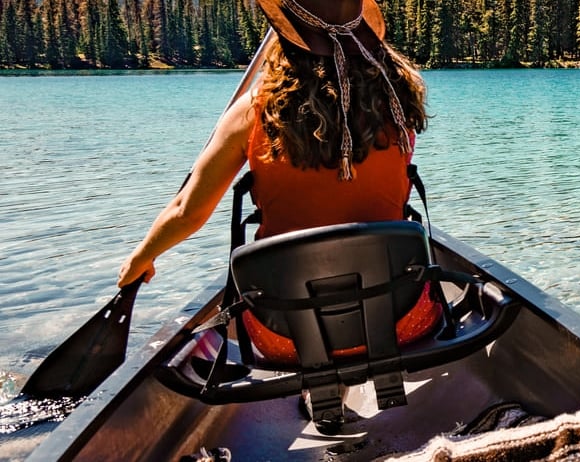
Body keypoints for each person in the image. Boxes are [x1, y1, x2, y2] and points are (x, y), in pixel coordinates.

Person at [117, 0, 437, 364]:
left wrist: (140, 258)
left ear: (284, 40)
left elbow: (187, 212)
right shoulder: (398, 105)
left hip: (284, 332)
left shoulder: (254, 111)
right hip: (400, 317)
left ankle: (316, 384)